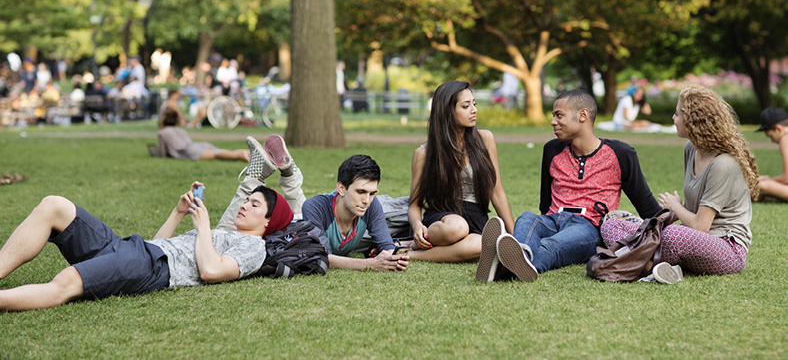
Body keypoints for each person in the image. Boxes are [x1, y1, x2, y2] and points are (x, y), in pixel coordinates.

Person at [0, 181, 294, 312]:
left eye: (254, 204)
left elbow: (212, 271)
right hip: (134, 248)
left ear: (269, 221)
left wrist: (204, 228)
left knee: (65, 283)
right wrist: (179, 212)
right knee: (55, 205)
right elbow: (158, 244)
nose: (244, 205)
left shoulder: (254, 247)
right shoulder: (224, 232)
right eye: (246, 199)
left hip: (150, 266)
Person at [478, 89, 662, 282]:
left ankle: (502, 267)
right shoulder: (552, 150)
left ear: (583, 115)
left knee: (552, 246)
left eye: (559, 116)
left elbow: (646, 207)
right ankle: (519, 256)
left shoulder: (621, 153)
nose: (553, 122)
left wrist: (675, 222)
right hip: (552, 219)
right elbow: (545, 202)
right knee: (527, 218)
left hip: (588, 227)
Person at [600, 85, 757, 282]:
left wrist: (675, 206)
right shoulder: (691, 149)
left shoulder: (724, 164)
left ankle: (642, 264)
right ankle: (651, 266)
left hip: (727, 249)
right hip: (690, 239)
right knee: (611, 224)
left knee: (672, 234)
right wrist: (669, 215)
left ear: (692, 120)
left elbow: (701, 226)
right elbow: (694, 212)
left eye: (676, 114)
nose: (673, 119)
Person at [215, 136, 409, 272]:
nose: (367, 200)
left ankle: (289, 171)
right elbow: (323, 257)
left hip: (301, 223)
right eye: (360, 192)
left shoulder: (370, 205)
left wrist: (394, 258)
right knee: (226, 232)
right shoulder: (316, 207)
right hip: (290, 230)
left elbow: (386, 245)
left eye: (372, 193)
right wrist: (372, 265)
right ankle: (256, 177)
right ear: (341, 188)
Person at [408, 80, 515, 263]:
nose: (474, 110)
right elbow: (414, 204)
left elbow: (496, 192)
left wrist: (515, 238)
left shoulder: (485, 139)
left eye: (474, 104)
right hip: (442, 221)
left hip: (476, 218)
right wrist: (417, 225)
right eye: (466, 106)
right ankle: (416, 241)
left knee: (480, 245)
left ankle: (408, 250)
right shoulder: (423, 153)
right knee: (457, 227)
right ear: (447, 111)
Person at [157, 108, 249, 161]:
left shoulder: (162, 133)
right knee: (221, 151)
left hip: (189, 150)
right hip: (197, 145)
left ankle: (241, 156)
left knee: (217, 154)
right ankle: (249, 153)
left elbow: (163, 153)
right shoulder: (181, 130)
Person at [755, 107, 788, 201]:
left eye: (771, 136)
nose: (772, 141)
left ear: (778, 129)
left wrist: (767, 179)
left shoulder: (785, 138)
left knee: (762, 186)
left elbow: (786, 178)